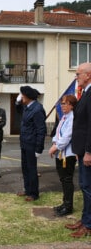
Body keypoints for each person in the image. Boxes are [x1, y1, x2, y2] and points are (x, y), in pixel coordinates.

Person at [65, 62, 91, 238]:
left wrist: (88, 151)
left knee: (88, 187)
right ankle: (85, 219)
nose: (76, 77)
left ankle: (88, 225)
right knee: (84, 186)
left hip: (88, 152)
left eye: (78, 74)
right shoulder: (86, 93)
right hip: (82, 150)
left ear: (88, 75)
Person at [48, 95, 77, 217]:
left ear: (71, 105)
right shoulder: (65, 117)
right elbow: (57, 132)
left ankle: (68, 206)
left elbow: (67, 136)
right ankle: (65, 203)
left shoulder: (72, 118)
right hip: (60, 153)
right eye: (62, 103)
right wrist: (54, 142)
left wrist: (56, 147)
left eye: (65, 103)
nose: (62, 105)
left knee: (67, 180)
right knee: (63, 179)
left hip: (68, 154)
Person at [17, 86, 47, 201]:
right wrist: (17, 102)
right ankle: (27, 190)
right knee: (25, 168)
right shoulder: (28, 107)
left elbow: (41, 130)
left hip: (32, 144)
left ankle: (34, 194)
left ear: (28, 97)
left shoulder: (37, 109)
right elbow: (19, 110)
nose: (21, 97)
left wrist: (39, 149)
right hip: (24, 143)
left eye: (22, 95)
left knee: (31, 169)